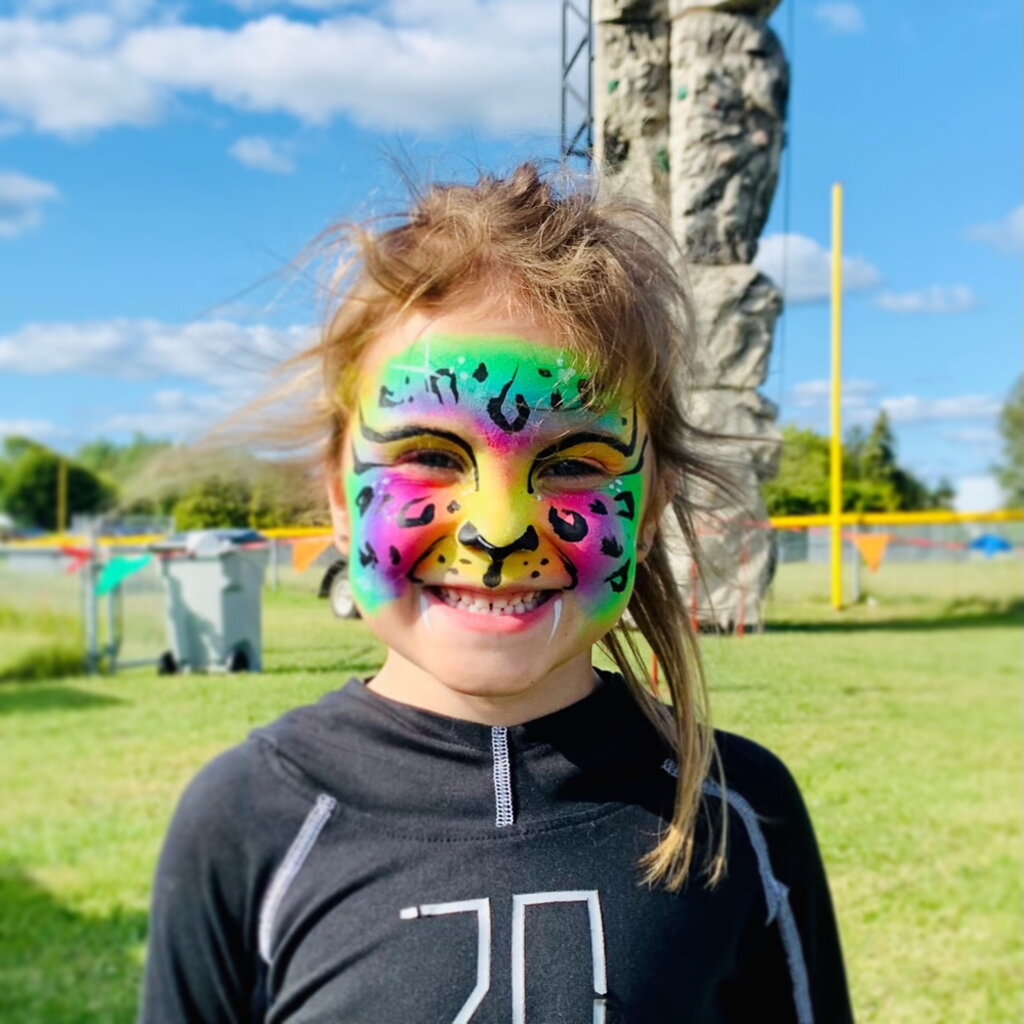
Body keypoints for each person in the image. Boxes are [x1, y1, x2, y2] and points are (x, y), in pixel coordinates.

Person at [138, 165, 853, 1023]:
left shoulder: (742, 815)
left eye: (575, 464)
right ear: (338, 496)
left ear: (653, 503)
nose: (500, 527)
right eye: (432, 455)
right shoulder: (248, 823)